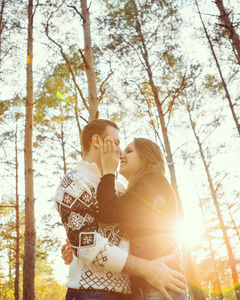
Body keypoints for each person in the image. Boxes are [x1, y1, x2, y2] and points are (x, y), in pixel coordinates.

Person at [55, 119, 187, 300]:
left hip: (134, 289)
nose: (119, 152)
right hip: (92, 292)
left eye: (126, 149)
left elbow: (115, 230)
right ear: (97, 141)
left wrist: (80, 245)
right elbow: (87, 245)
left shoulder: (117, 188)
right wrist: (76, 247)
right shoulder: (75, 181)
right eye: (116, 143)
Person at [97, 136, 189, 300]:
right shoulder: (140, 189)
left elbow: (108, 212)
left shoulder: (153, 181)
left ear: (146, 157)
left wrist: (108, 171)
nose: (121, 156)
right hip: (150, 286)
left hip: (161, 287)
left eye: (129, 151)